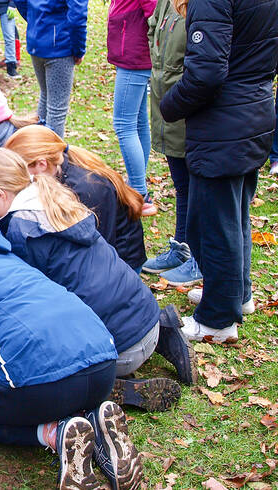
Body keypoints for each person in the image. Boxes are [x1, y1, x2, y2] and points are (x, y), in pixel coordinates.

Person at [0, 189, 143, 490]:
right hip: (102, 360)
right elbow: (11, 324)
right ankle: (96, 423)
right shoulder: (1, 246)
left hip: (43, 382)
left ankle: (56, 433)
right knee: (60, 383)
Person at [0, 148, 196, 411]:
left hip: (118, 350)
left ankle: (114, 390)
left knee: (46, 368)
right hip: (147, 318)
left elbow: (28, 308)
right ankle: (165, 334)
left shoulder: (23, 231)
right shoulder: (55, 198)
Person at [160, 0, 278, 341]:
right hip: (252, 111)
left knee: (213, 224)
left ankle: (217, 318)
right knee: (234, 215)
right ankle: (236, 295)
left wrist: (169, 105)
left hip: (224, 122)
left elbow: (206, 74)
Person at [5, 125, 147, 272]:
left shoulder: (87, 189)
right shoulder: (57, 170)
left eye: (21, 171)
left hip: (120, 265)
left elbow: (100, 248)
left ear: (42, 164)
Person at [142, 0, 202, 286]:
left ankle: (197, 256)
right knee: (182, 184)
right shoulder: (167, 2)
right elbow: (154, 26)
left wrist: (177, 81)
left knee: (195, 187)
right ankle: (182, 247)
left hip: (187, 104)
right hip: (166, 100)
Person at [107, 0, 157, 215]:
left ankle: (139, 192)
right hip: (131, 54)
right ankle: (138, 183)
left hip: (135, 57)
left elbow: (155, 13)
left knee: (123, 124)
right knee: (137, 122)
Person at [12, 0, 87, 137]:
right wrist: (79, 49)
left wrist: (36, 22)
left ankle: (38, 149)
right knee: (56, 111)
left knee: (45, 97)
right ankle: (52, 156)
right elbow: (77, 17)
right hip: (58, 45)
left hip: (38, 39)